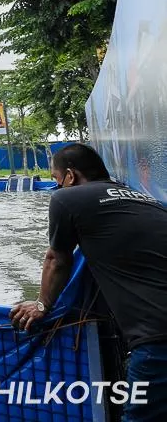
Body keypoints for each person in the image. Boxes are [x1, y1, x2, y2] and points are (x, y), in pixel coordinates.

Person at [9, 143, 167, 421]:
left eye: (57, 180)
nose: (57, 188)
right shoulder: (144, 199)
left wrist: (41, 304)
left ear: (70, 176)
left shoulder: (67, 199)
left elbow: (57, 259)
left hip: (158, 338)